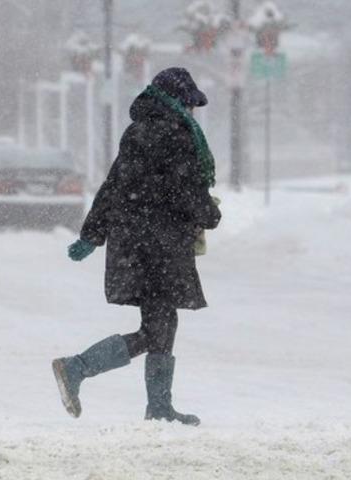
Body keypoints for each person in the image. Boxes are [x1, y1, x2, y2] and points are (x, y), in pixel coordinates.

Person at [52, 67, 221, 426]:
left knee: (160, 322)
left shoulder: (138, 131)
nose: (192, 112)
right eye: (189, 104)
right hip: (158, 244)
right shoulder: (177, 135)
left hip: (134, 242)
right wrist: (210, 213)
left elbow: (114, 186)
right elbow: (183, 189)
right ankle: (78, 368)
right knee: (159, 326)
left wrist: (92, 235)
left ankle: (156, 405)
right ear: (177, 101)